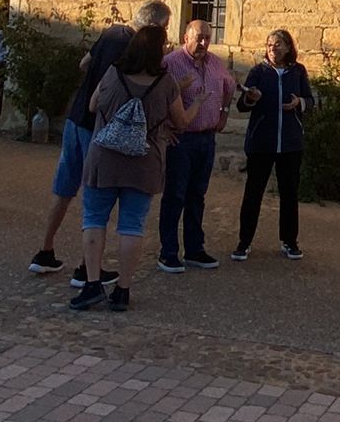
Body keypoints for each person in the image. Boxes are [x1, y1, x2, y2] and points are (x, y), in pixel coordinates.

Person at [29, 0, 171, 281]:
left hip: (75, 117)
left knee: (64, 188)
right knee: (96, 195)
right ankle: (86, 268)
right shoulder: (132, 48)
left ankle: (45, 251)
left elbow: (84, 64)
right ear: (154, 27)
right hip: (99, 126)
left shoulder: (110, 33)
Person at [70, 24, 191, 312]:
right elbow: (181, 122)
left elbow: (92, 105)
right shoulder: (166, 83)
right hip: (144, 161)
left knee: (95, 219)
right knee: (131, 225)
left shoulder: (114, 73)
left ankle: (92, 283)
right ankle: (123, 289)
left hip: (106, 158)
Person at [155, 19, 233, 273]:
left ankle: (194, 249)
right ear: (185, 37)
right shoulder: (170, 63)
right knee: (175, 195)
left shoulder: (215, 63)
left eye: (208, 38)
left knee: (197, 195)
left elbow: (229, 86)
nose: (203, 43)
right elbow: (157, 97)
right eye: (199, 37)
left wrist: (224, 113)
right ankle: (168, 252)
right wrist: (165, 127)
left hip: (206, 139)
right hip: (182, 139)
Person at [233, 28, 313, 262]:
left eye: (278, 44)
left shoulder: (297, 72)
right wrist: (250, 97)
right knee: (253, 194)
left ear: (288, 47)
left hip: (290, 144)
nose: (272, 48)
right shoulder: (258, 72)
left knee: (289, 194)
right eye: (269, 44)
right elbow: (242, 105)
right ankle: (244, 242)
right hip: (262, 143)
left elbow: (310, 101)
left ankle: (289, 241)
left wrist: (300, 102)